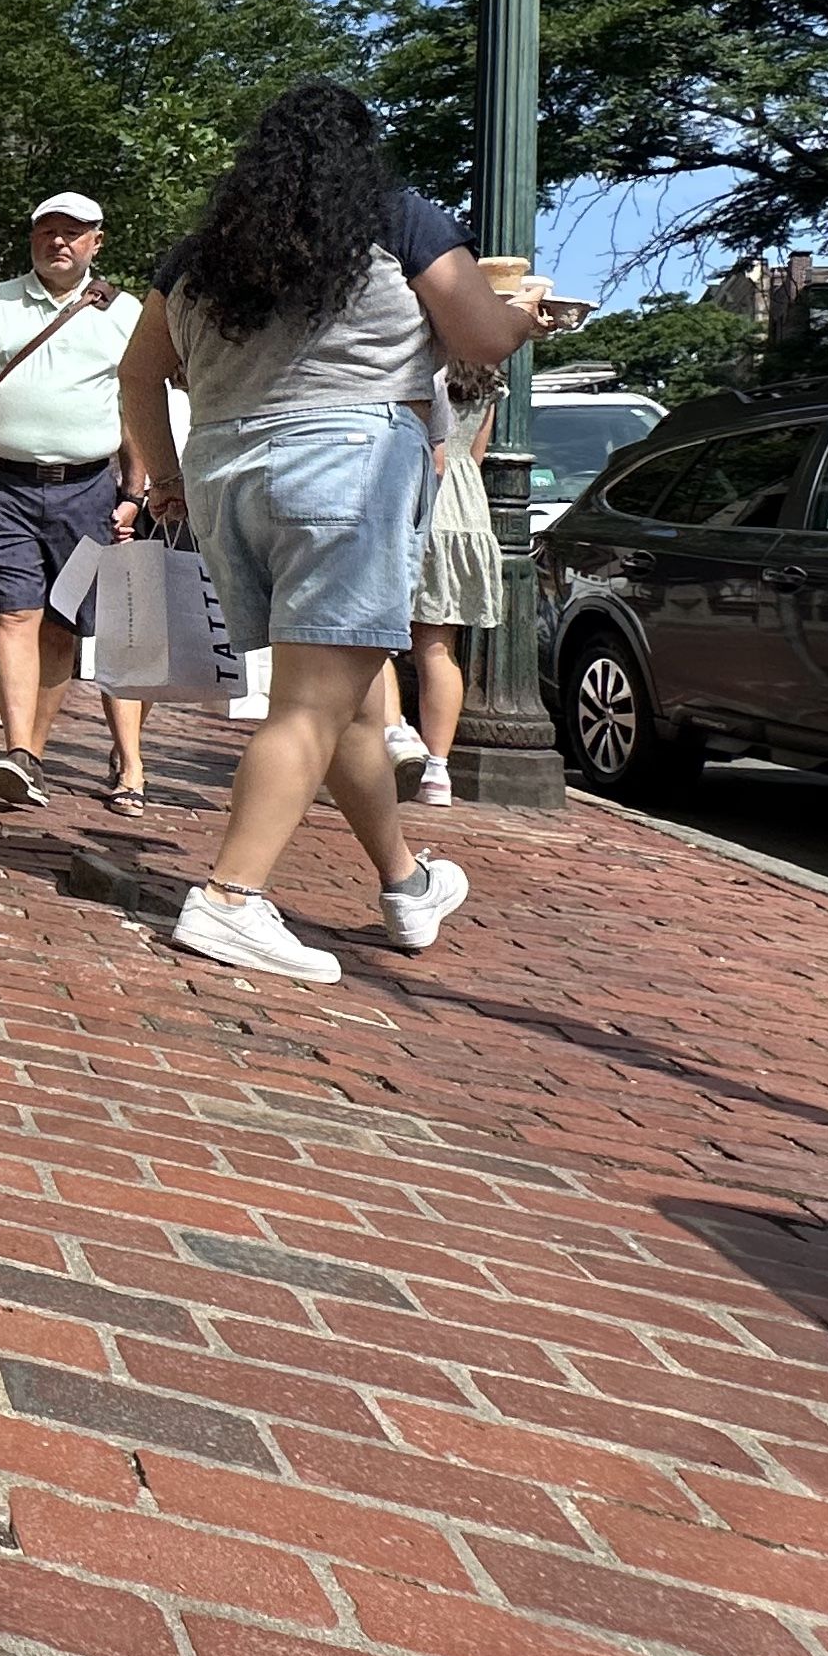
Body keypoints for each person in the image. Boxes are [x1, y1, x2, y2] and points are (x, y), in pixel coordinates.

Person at [118, 83, 551, 984]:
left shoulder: (199, 257)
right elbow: (480, 339)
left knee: (348, 698)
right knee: (312, 706)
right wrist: (526, 314)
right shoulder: (400, 221)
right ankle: (230, 899)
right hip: (348, 468)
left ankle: (405, 883)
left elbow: (138, 375)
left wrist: (163, 480)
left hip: (227, 475)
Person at [0, 193, 157, 812]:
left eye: (73, 233)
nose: (59, 243)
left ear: (96, 242)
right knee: (12, 611)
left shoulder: (124, 313)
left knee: (62, 625)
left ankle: (36, 756)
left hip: (87, 489)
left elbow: (134, 406)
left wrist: (136, 490)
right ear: (32, 240)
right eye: (47, 232)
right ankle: (18, 749)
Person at [373, 362, 501, 804]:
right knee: (438, 646)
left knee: (374, 636)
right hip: (466, 510)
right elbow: (476, 455)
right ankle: (439, 772)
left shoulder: (422, 367)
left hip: (418, 499)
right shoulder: (491, 381)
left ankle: (395, 734)